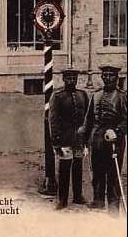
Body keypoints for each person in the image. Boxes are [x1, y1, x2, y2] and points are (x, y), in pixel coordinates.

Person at [79, 65, 127, 212]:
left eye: (110, 75)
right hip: (97, 139)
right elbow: (89, 119)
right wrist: (85, 140)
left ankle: (113, 208)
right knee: (97, 173)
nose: (107, 78)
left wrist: (117, 131)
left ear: (116, 77)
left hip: (114, 142)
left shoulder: (122, 96)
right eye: (104, 75)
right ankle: (98, 201)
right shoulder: (96, 94)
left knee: (113, 175)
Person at [48, 69, 89, 210]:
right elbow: (53, 120)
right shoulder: (57, 96)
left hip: (79, 139)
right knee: (64, 169)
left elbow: (87, 119)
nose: (72, 81)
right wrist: (56, 142)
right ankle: (62, 200)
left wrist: (86, 140)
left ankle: (78, 196)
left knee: (78, 168)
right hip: (64, 138)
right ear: (63, 79)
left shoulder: (82, 95)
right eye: (69, 78)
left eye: (74, 78)